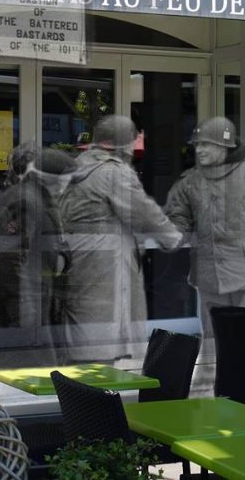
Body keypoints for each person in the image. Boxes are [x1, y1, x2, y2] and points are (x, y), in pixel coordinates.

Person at [165, 116, 245, 361]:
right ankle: (220, 393)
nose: (199, 149)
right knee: (214, 347)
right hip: (208, 276)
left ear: (225, 147)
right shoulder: (190, 181)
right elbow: (178, 216)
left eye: (205, 144)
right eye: (197, 145)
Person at [60, 115, 183, 363]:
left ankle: (81, 384)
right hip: (105, 260)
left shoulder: (77, 166)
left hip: (78, 256)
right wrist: (173, 238)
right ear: (123, 144)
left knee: (86, 322)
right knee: (104, 328)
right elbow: (144, 212)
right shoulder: (114, 173)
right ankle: (98, 388)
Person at [0, 144, 75, 367]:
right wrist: (23, 316)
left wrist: (61, 258)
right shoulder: (24, 200)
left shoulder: (34, 200)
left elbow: (52, 244)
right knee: (28, 375)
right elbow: (9, 261)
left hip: (28, 310)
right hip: (19, 317)